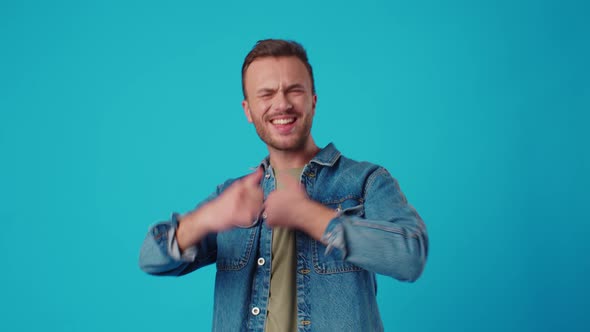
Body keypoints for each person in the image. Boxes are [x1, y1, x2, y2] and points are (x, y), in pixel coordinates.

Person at [139, 39, 428, 332]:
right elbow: (151, 258)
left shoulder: (366, 181)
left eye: (294, 90)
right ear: (248, 110)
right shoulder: (233, 196)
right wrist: (205, 218)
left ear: (313, 101)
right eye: (266, 94)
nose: (282, 104)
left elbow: (410, 257)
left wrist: (310, 216)